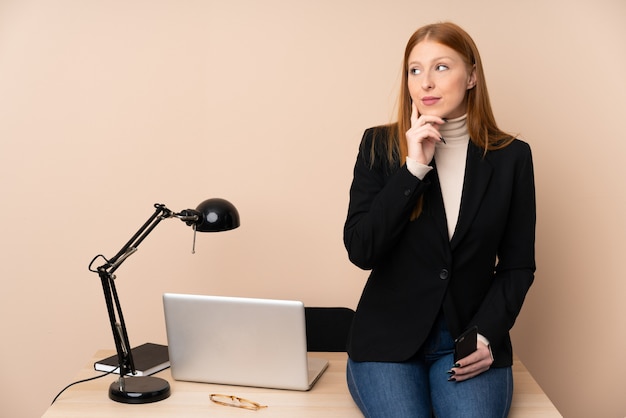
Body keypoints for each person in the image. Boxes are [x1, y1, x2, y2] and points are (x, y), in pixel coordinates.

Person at [343, 22, 535, 417]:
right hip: (387, 340)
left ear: (472, 76)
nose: (425, 83)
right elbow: (362, 249)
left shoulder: (512, 157)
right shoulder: (379, 146)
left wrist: (484, 335)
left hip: (467, 335)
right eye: (415, 70)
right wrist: (414, 167)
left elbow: (517, 266)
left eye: (441, 67)